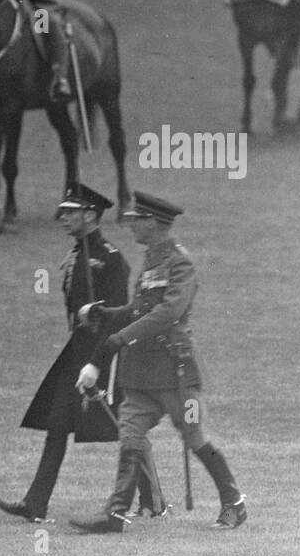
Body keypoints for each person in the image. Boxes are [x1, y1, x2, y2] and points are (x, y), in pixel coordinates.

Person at [69, 192, 247, 533]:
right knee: (131, 433)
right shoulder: (151, 259)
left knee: (194, 437)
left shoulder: (180, 263)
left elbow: (169, 312)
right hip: (142, 373)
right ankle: (116, 513)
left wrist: (119, 338)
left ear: (152, 222)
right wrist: (107, 314)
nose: (131, 224)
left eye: (136, 219)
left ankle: (233, 503)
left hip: (175, 371)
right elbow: (141, 308)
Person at [0, 183, 166, 523]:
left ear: (90, 215)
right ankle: (35, 503)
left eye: (71, 212)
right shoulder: (76, 255)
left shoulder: (112, 261)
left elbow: (121, 314)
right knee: (58, 423)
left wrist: (97, 350)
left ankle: (152, 498)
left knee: (124, 425)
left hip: (105, 356)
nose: (63, 217)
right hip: (76, 354)